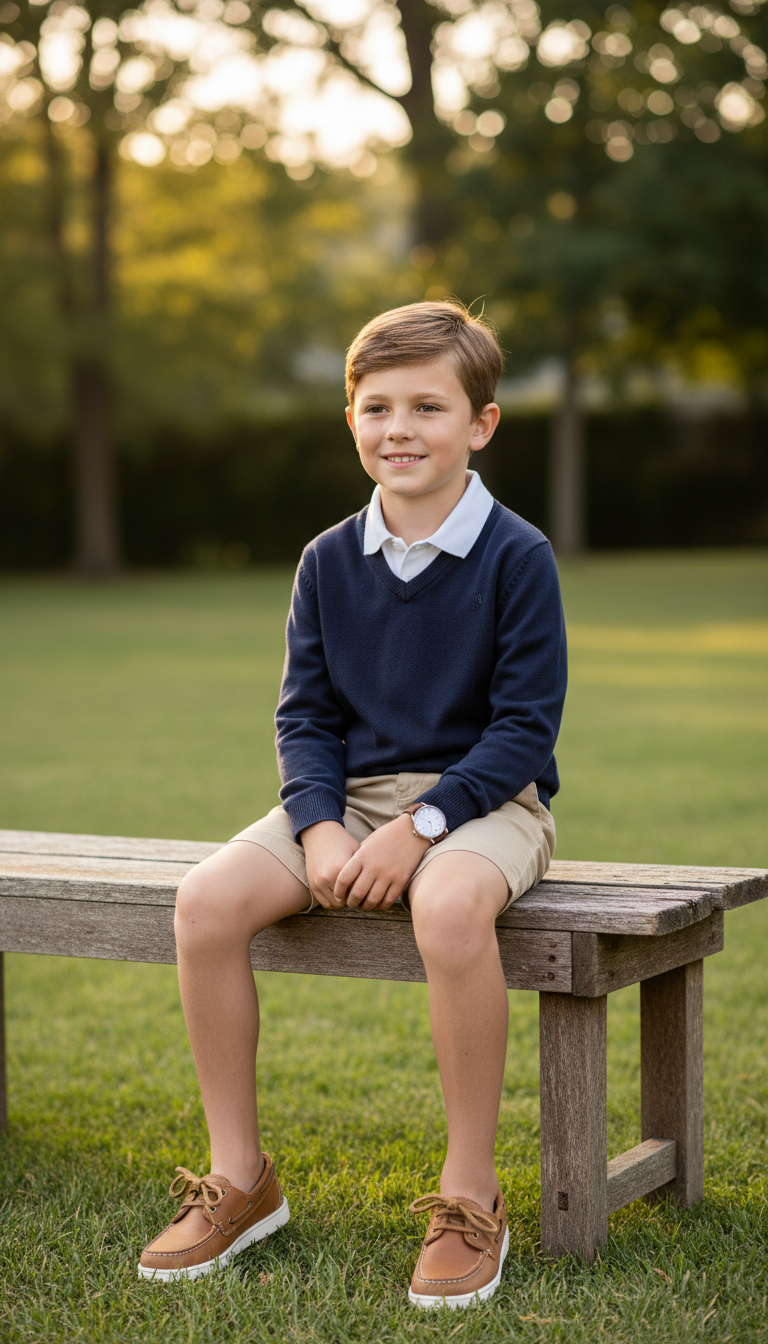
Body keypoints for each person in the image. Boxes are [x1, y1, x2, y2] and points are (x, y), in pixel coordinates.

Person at [138, 300, 567, 1308]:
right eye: (377, 406)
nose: (400, 428)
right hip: (348, 799)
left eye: (429, 405)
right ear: (351, 421)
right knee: (203, 901)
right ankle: (240, 1178)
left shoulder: (518, 556)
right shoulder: (328, 559)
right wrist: (324, 824)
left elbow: (522, 734)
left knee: (450, 907)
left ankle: (470, 1194)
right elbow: (306, 719)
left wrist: (422, 831)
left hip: (488, 801)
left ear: (482, 424)